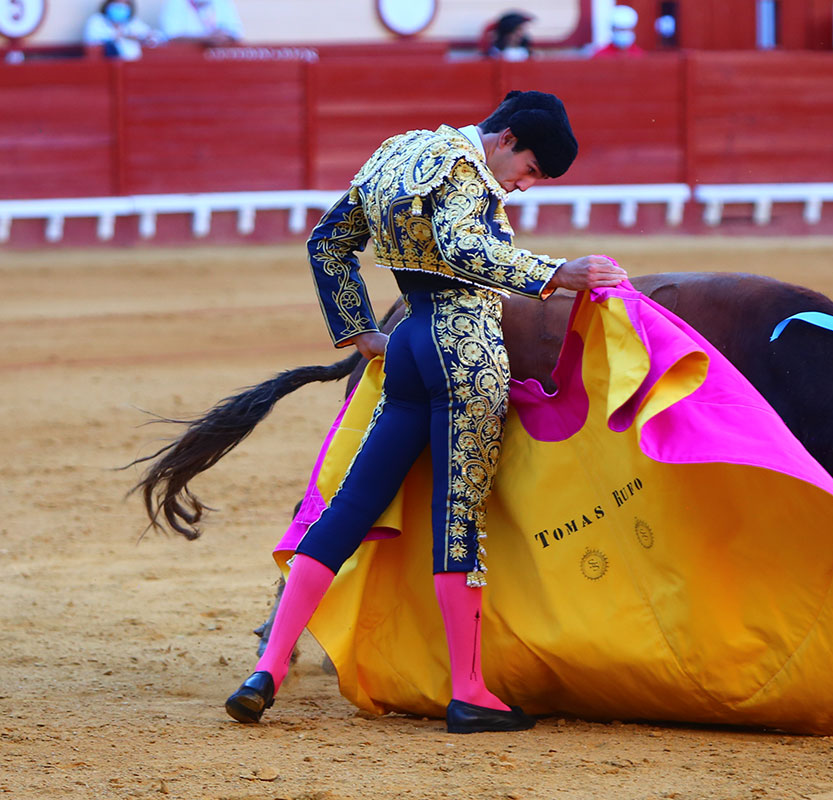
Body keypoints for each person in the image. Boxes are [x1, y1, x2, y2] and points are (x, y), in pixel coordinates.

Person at [224, 90, 627, 733]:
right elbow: (463, 248)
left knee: (351, 506)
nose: (523, 187)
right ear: (506, 140)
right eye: (528, 171)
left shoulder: (399, 151)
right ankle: (468, 692)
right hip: (464, 349)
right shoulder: (466, 168)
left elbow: (328, 242)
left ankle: (267, 669)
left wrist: (362, 332)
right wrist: (557, 273)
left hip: (409, 341)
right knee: (457, 519)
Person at [83, 0, 160, 60]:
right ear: (108, 4)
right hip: (105, 64)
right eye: (117, 2)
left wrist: (144, 37)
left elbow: (153, 36)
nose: (121, 6)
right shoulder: (97, 21)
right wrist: (124, 35)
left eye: (125, 3)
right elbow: (93, 38)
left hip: (132, 65)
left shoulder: (132, 22)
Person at [159, 0, 243, 45]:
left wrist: (223, 36)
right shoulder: (175, 2)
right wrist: (205, 39)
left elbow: (236, 33)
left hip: (219, 61)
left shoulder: (222, 2)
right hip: (187, 61)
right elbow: (171, 36)